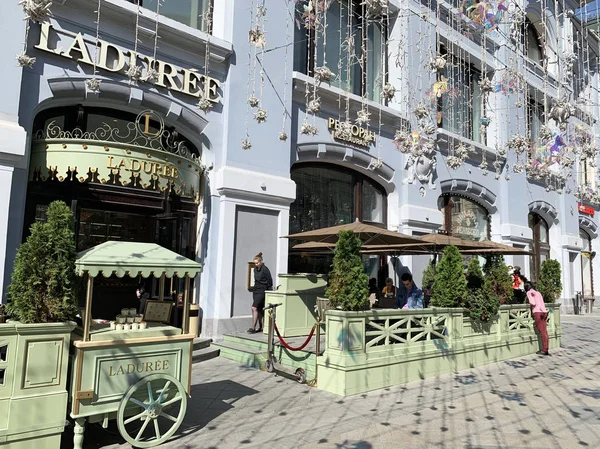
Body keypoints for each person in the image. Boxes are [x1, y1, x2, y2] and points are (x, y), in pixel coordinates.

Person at [248, 252, 273, 333]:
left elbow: (269, 280)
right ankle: (261, 327)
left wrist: (268, 290)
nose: (256, 264)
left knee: (254, 307)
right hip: (256, 290)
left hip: (262, 290)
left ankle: (253, 327)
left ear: (261, 261)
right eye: (255, 263)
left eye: (257, 263)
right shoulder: (255, 270)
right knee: (258, 309)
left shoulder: (265, 269)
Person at [525, 282, 550, 356]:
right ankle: (546, 349)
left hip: (538, 313)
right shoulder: (538, 292)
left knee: (542, 332)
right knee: (545, 332)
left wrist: (529, 297)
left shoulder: (529, 292)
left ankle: (544, 350)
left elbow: (533, 303)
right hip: (544, 312)